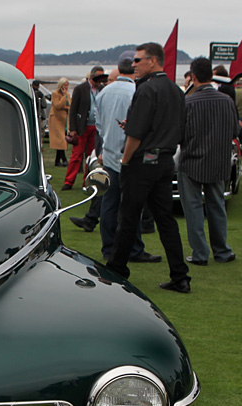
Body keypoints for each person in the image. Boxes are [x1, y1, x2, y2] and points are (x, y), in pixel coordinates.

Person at [106, 42, 189, 293]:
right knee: (165, 220)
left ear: (153, 61)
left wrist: (125, 160)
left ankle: (117, 269)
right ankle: (180, 275)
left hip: (142, 161)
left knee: (128, 217)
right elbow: (173, 126)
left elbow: (136, 134)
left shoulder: (146, 89)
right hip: (164, 161)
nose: (134, 65)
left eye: (138, 60)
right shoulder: (176, 91)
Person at [87, 51, 160, 264]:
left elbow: (98, 124)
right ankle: (134, 249)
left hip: (109, 153)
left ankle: (109, 248)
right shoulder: (137, 91)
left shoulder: (104, 93)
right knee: (132, 205)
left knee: (109, 203)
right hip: (131, 155)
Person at [178, 58, 238, 266]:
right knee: (217, 205)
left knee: (193, 208)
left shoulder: (187, 102)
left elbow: (179, 135)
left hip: (191, 161)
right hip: (218, 160)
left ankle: (200, 253)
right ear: (211, 76)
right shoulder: (227, 101)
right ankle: (222, 250)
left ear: (193, 77)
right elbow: (235, 132)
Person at [63, 67, 105, 190]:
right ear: (92, 77)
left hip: (96, 128)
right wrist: (73, 129)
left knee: (92, 156)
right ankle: (68, 182)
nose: (101, 80)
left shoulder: (102, 89)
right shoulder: (80, 89)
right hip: (82, 127)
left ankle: (87, 180)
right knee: (76, 155)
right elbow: (73, 110)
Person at [49, 78, 70, 167]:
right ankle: (64, 159)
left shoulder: (68, 95)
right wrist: (63, 98)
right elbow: (57, 105)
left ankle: (57, 161)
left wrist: (65, 106)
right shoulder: (55, 94)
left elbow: (70, 106)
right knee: (61, 140)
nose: (66, 87)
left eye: (67, 85)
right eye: (64, 85)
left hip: (64, 119)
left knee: (61, 140)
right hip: (56, 118)